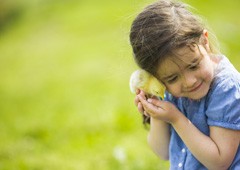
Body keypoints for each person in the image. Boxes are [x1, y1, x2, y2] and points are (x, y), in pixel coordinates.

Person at [129, 0, 240, 169]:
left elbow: (219, 162)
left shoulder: (226, 88)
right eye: (173, 78)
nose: (190, 81)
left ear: (205, 42)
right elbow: (162, 151)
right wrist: (157, 114)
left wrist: (176, 119)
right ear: (156, 78)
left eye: (194, 65)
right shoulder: (167, 90)